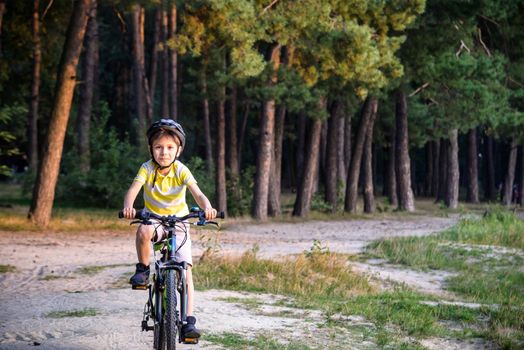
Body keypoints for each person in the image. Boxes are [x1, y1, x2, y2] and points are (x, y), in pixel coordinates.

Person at [121, 119, 217, 341]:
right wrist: (128, 207)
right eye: (158, 147)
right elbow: (133, 189)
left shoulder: (181, 170)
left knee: (186, 271)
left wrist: (208, 208)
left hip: (180, 223)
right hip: (155, 220)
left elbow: (198, 193)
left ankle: (188, 322)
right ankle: (143, 270)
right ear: (151, 149)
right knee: (143, 231)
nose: (164, 152)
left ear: (179, 150)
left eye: (170, 147)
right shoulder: (147, 168)